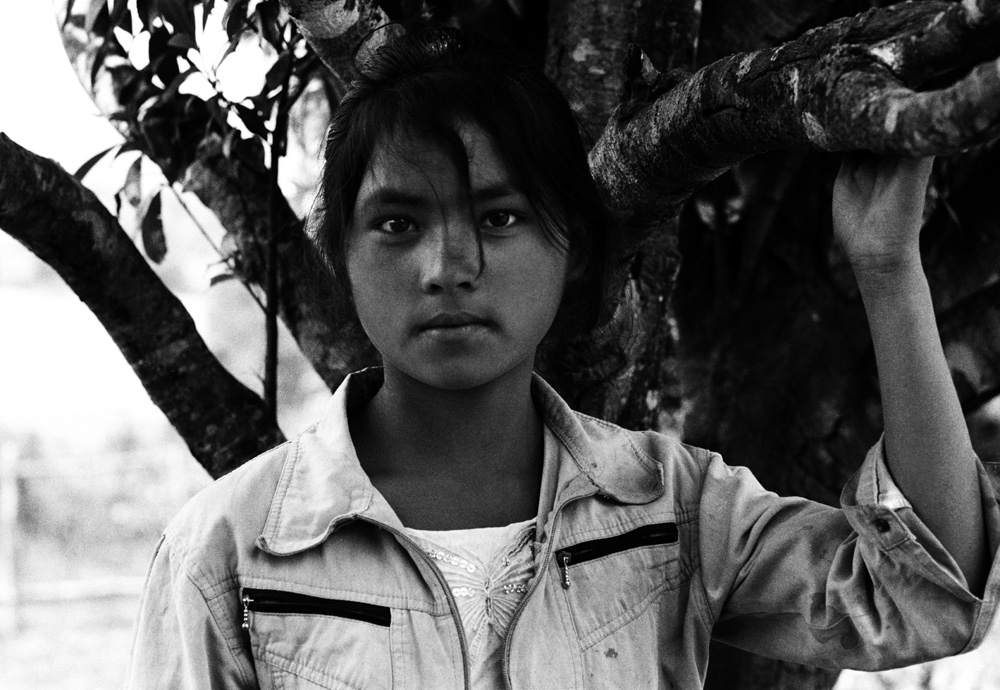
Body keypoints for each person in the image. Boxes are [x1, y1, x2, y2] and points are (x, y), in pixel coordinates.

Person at [126, 24, 1000, 690]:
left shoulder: (671, 512)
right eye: (397, 223)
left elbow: (928, 595)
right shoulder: (231, 551)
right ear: (340, 255)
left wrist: (889, 266)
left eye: (499, 217)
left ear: (571, 247)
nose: (448, 267)